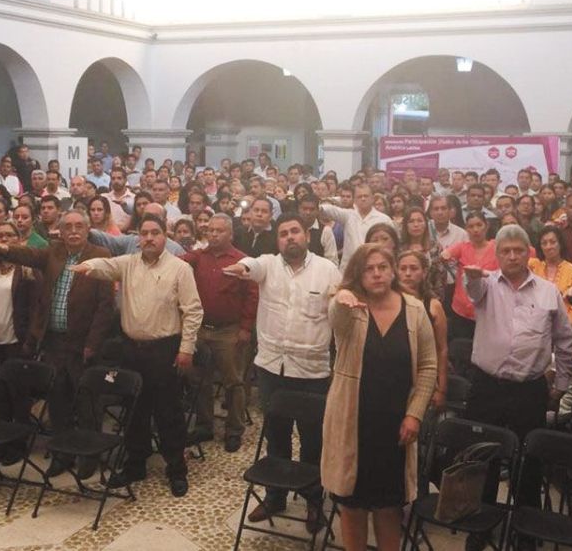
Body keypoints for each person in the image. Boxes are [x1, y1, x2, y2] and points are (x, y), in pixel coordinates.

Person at [222, 213, 341, 532]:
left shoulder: (327, 270)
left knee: (312, 440)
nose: (290, 237)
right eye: (284, 233)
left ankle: (313, 500)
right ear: (278, 240)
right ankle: (275, 496)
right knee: (276, 435)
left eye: (295, 231)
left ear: (306, 236)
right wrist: (242, 267)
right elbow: (251, 265)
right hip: (272, 367)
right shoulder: (268, 265)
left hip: (311, 372)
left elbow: (339, 312)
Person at [462, 224, 572, 550]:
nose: (512, 256)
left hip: (529, 391)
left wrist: (562, 384)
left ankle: (526, 532)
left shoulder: (547, 291)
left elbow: (565, 341)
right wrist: (472, 277)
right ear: (497, 255)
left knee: (528, 463)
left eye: (518, 250)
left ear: (529, 253)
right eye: (505, 251)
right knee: (482, 459)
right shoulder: (485, 284)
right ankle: (479, 526)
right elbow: (472, 291)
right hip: (486, 388)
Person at [71, 213, 202, 497]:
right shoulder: (128, 263)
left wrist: (186, 349)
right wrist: (87, 265)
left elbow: (193, 311)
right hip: (131, 350)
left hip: (165, 350)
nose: (149, 238)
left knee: (168, 412)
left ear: (165, 236)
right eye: (144, 233)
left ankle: (176, 468)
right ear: (138, 238)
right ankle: (135, 464)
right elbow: (105, 265)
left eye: (155, 233)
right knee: (134, 410)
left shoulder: (180, 269)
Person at [323, 244, 437, 551]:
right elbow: (336, 320)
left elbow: (428, 365)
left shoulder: (414, 309)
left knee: (389, 506)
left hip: (396, 425)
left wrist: (415, 414)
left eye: (382, 267)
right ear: (358, 274)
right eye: (369, 269)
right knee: (352, 504)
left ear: (393, 270)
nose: (376, 274)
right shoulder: (350, 306)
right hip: (353, 422)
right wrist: (341, 298)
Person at [0, 210, 114, 478]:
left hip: (83, 343)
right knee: (58, 401)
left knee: (87, 402)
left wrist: (93, 343)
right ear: (61, 231)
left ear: (87, 229)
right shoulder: (53, 251)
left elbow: (105, 306)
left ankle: (89, 455)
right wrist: (7, 249)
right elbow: (30, 255)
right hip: (54, 341)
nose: (74, 231)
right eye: (68, 227)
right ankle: (63, 454)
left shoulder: (100, 254)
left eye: (79, 226)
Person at [179, 213, 258, 452]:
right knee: (199, 380)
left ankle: (234, 430)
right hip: (201, 329)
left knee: (233, 382)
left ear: (230, 234)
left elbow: (252, 296)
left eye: (219, 231)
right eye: (210, 230)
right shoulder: (198, 257)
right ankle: (205, 425)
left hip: (229, 331)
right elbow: (175, 262)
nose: (213, 234)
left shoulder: (242, 260)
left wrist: (246, 328)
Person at [397, 249, 449, 408]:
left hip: (423, 375)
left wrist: (441, 389)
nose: (408, 273)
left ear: (424, 272)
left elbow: (442, 349)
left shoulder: (433, 306)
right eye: (403, 268)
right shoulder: (388, 303)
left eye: (413, 268)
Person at [441, 212, 498, 339]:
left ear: (486, 226)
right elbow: (444, 255)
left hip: (488, 309)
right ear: (466, 229)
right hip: (462, 311)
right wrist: (445, 256)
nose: (475, 230)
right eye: (471, 226)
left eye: (479, 225)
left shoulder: (496, 247)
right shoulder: (462, 247)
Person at [320, 183, 394, 269]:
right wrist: (318, 207)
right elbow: (330, 210)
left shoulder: (384, 219)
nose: (363, 199)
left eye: (366, 196)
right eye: (359, 196)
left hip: (375, 266)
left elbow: (393, 244)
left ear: (372, 198)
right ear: (354, 200)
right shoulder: (348, 215)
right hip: (350, 267)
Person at [529, 225, 572, 325]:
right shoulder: (532, 266)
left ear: (560, 244)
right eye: (544, 243)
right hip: (534, 324)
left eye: (553, 242)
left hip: (563, 325)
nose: (548, 247)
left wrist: (566, 327)